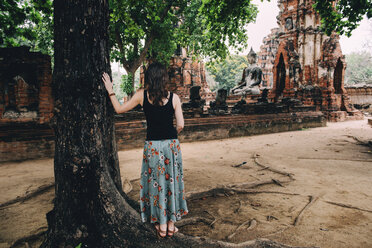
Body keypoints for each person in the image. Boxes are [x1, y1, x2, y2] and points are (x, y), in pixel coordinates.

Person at [102, 62, 188, 238]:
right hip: (171, 145)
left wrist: (110, 90)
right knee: (171, 182)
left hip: (153, 147)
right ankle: (171, 225)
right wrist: (171, 135)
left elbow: (118, 109)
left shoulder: (142, 95)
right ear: (164, 79)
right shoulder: (174, 98)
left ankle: (161, 225)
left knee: (156, 184)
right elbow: (180, 125)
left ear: (149, 78)